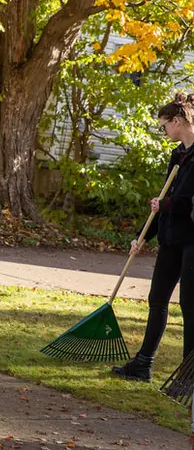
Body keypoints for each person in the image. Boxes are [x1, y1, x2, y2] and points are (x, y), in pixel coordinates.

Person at [112, 92, 194, 382]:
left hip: (192, 239)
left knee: (189, 304)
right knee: (157, 298)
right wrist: (143, 236)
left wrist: (169, 204)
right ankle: (143, 364)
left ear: (177, 121)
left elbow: (183, 200)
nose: (164, 131)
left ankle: (188, 377)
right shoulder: (178, 155)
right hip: (171, 236)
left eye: (164, 125)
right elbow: (165, 196)